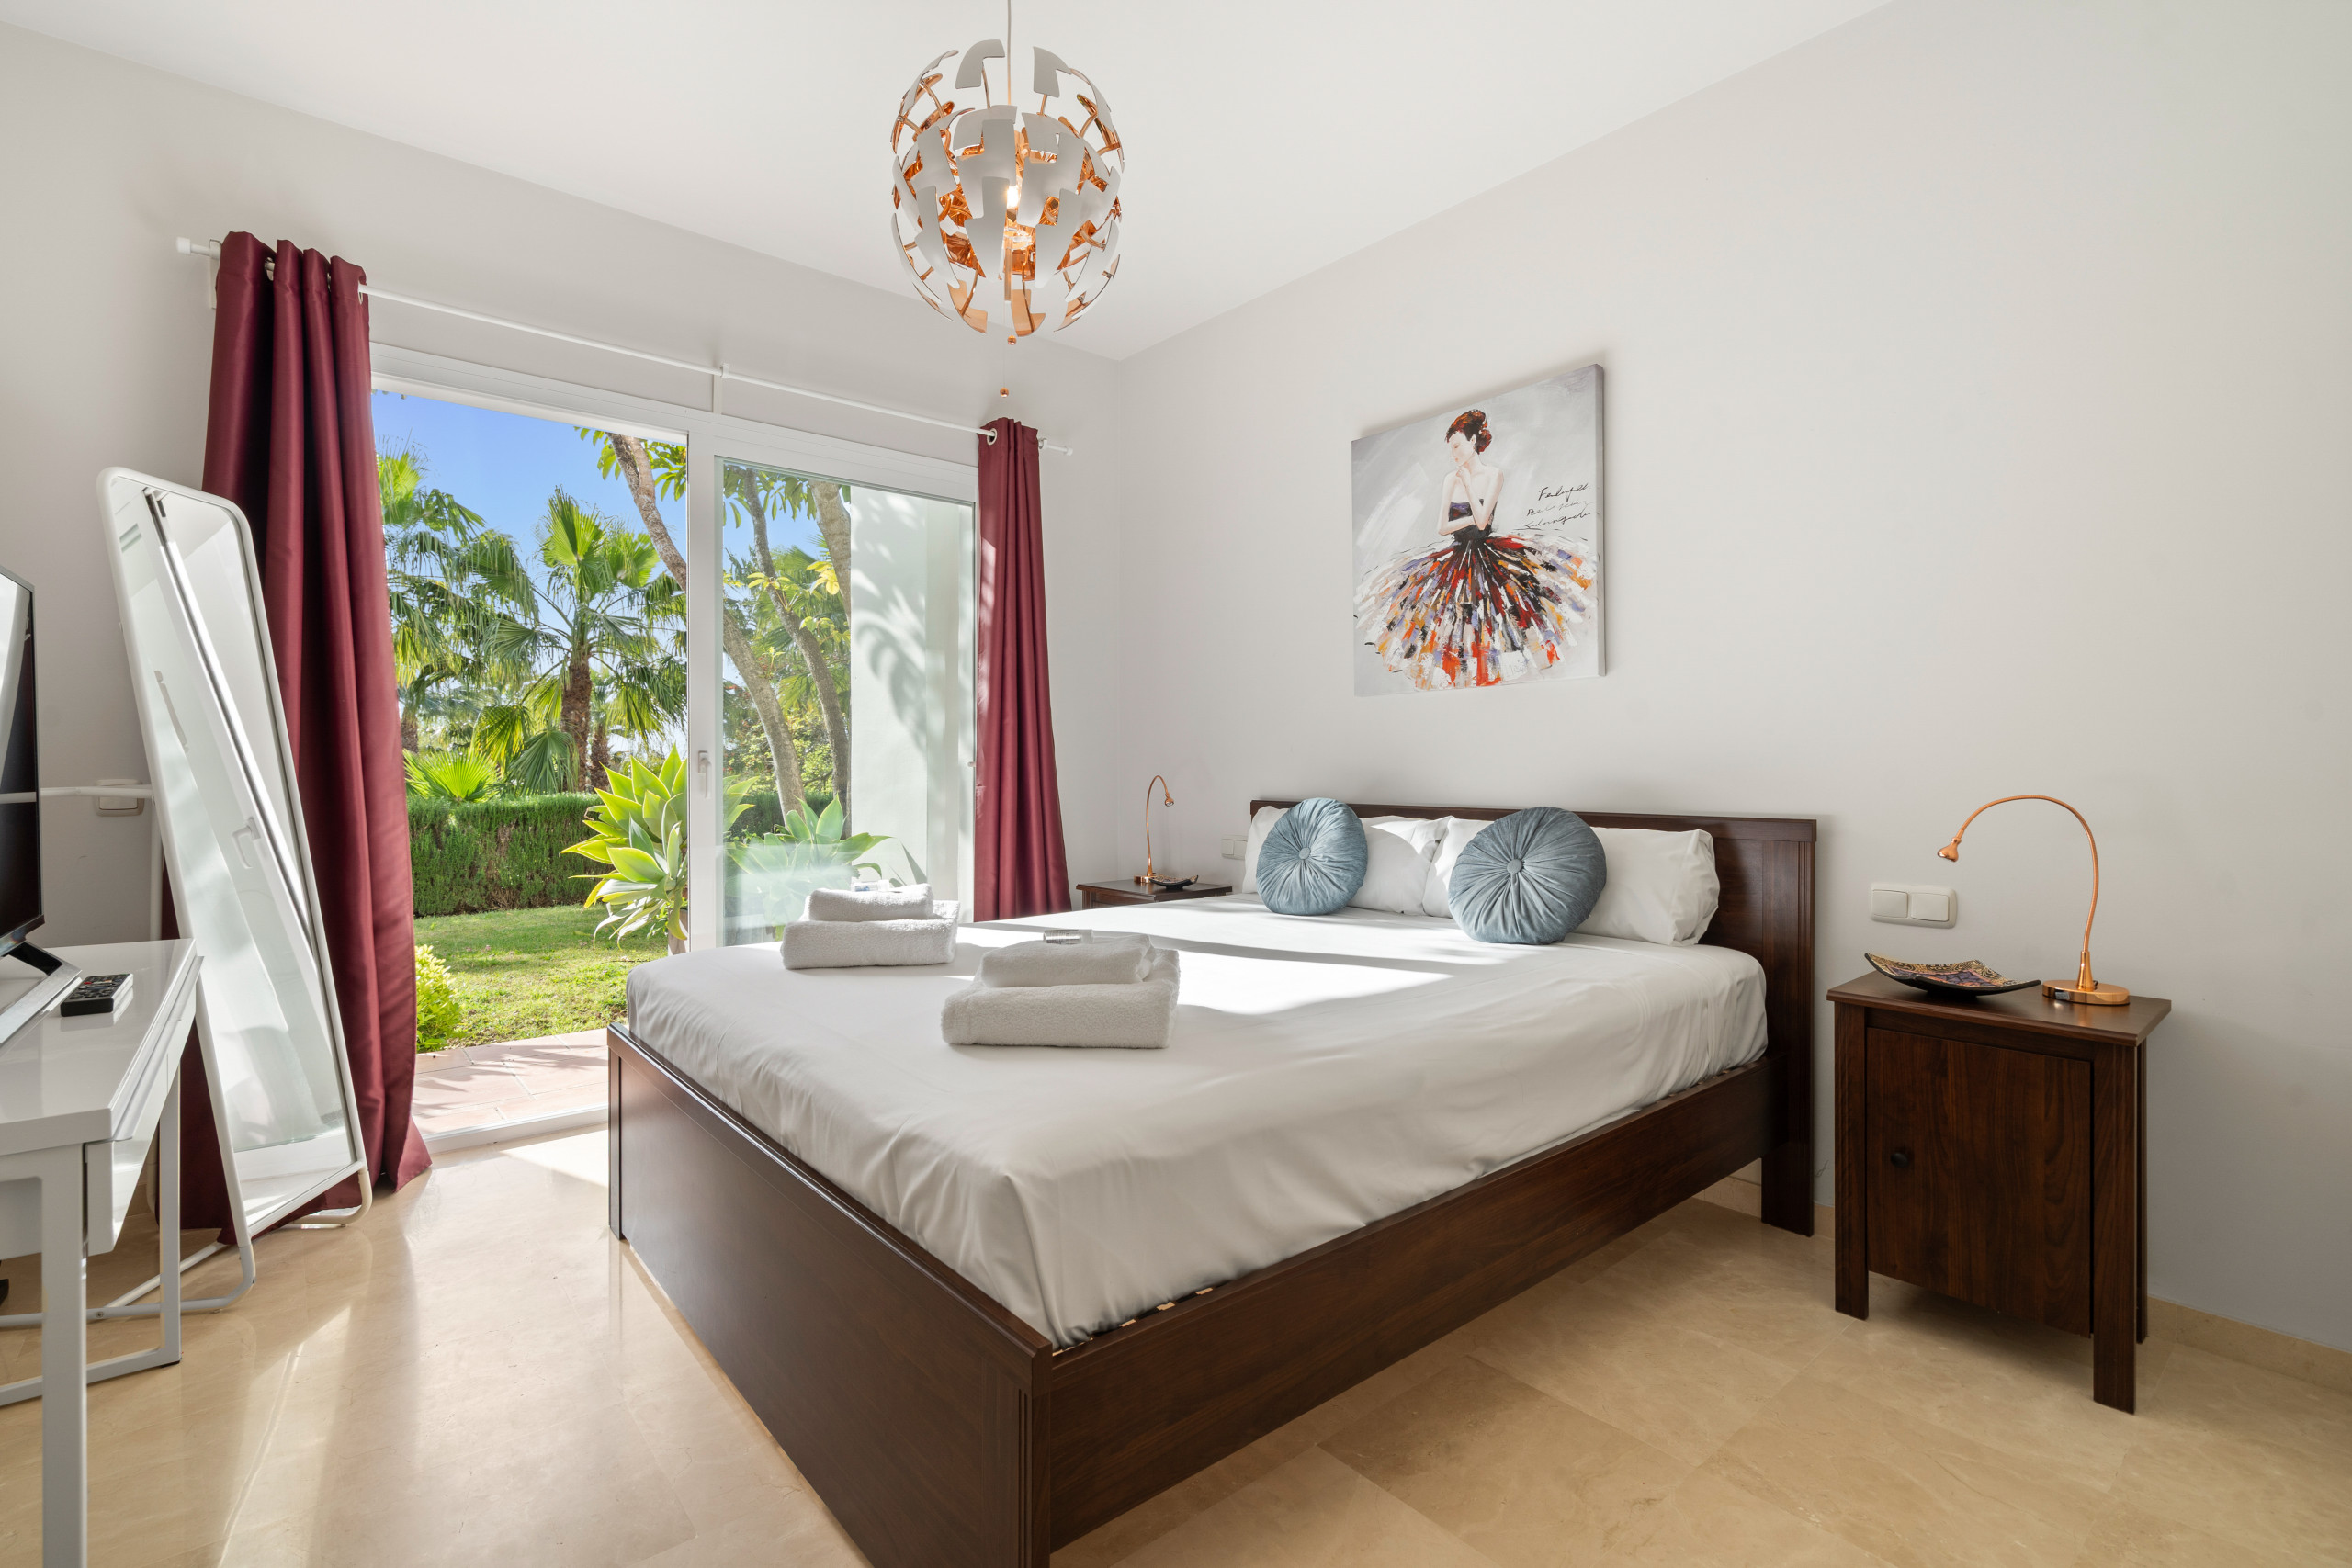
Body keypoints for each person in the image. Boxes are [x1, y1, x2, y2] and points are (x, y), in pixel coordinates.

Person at [1356, 410, 1597, 688]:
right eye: (1450, 448)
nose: (1453, 454)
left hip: (1489, 557)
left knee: (1496, 619)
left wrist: (1469, 487)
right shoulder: (1450, 479)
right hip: (1457, 556)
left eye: (1457, 446)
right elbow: (1442, 527)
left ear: (1473, 441)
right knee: (1453, 624)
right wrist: (1471, 515)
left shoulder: (1494, 475)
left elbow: (1483, 522)